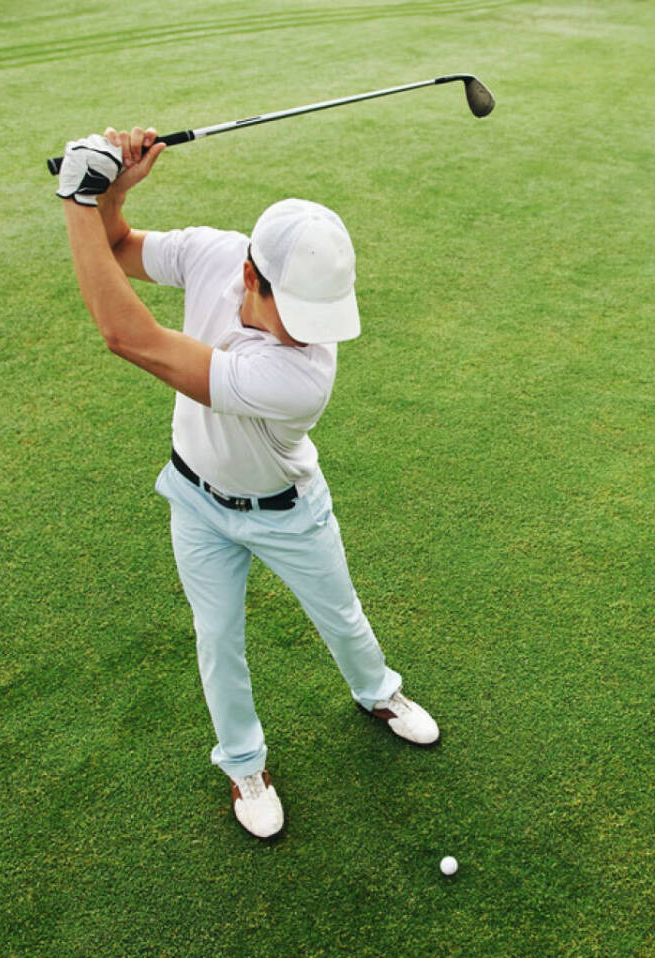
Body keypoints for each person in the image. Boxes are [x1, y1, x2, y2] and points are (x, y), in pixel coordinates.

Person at [56, 127, 439, 841]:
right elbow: (118, 249)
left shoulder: (301, 375)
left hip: (288, 512)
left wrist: (80, 198)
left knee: (343, 618)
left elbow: (127, 336)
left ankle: (377, 694)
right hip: (196, 501)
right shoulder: (213, 252)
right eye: (300, 314)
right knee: (217, 638)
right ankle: (244, 764)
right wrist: (111, 197)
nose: (311, 333)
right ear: (251, 276)